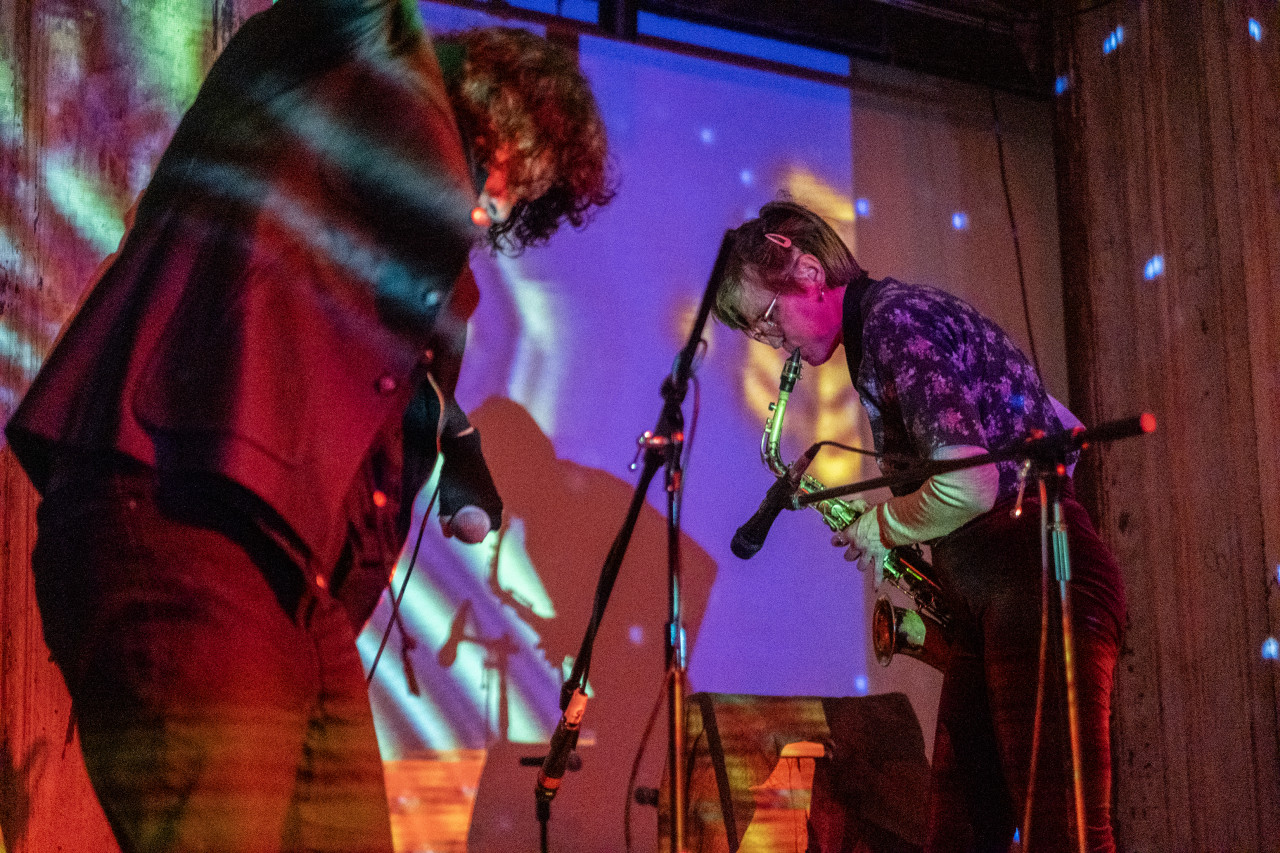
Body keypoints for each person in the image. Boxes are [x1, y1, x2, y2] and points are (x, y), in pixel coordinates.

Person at [5, 0, 612, 849]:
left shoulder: (428, 275)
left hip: (290, 579)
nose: (502, 204)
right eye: (517, 165)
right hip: (176, 504)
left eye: (527, 194)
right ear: (487, 98)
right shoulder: (345, 67)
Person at [712, 201, 1125, 852]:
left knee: (1062, 838)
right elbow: (1063, 424)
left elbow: (970, 483)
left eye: (766, 318)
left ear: (810, 270)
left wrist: (884, 525)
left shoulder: (893, 320)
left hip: (1038, 587)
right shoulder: (888, 327)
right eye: (757, 334)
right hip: (1005, 595)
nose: (772, 343)